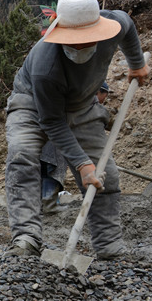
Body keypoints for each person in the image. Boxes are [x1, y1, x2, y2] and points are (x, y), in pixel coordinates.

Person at [4, 0, 149, 259]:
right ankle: (26, 237)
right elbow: (52, 121)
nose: (80, 47)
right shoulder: (45, 65)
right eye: (73, 42)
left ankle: (109, 245)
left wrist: (137, 64)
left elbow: (128, 25)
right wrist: (82, 165)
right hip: (32, 103)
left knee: (105, 174)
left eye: (87, 40)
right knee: (22, 155)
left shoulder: (113, 25)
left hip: (83, 104)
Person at [40, 81, 111, 215]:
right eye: (105, 96)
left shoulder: (70, 99)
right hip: (56, 144)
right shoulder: (87, 103)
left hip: (44, 141)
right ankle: (49, 204)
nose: (104, 100)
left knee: (44, 172)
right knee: (52, 172)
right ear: (98, 92)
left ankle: (40, 205)